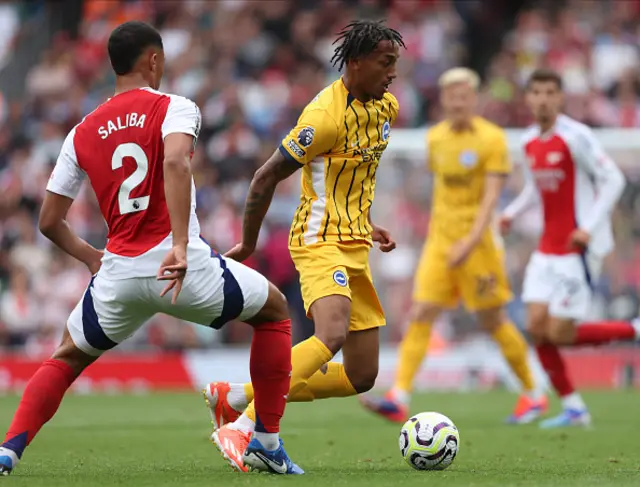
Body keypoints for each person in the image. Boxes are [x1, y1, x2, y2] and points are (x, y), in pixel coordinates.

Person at [0, 21, 302, 476]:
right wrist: (180, 246)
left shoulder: (82, 131)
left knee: (65, 358)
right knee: (275, 312)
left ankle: (7, 450)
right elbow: (177, 161)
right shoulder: (176, 107)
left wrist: (89, 257)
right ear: (154, 60)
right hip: (181, 266)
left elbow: (48, 221)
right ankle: (266, 442)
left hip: (118, 272)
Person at [203, 19, 405, 471]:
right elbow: (265, 177)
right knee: (329, 334)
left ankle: (235, 396)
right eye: (385, 63)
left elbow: (353, 176)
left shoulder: (385, 107)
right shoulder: (322, 119)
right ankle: (246, 428)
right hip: (318, 240)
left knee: (361, 375)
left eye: (396, 63)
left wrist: (367, 223)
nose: (393, 73)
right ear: (355, 63)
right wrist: (249, 242)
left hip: (355, 242)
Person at [359, 67, 546, 424]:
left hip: (478, 245)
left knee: (492, 319)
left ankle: (533, 393)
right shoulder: (436, 139)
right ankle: (399, 396)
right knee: (420, 313)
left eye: (464, 95)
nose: (457, 102)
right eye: (451, 96)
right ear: (444, 100)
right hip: (440, 242)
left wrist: (469, 241)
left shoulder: (492, 140)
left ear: (474, 99)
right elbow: (439, 191)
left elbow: (492, 200)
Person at [500, 68, 634, 428]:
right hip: (547, 249)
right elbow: (533, 186)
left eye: (549, 92)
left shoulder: (577, 136)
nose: (543, 99)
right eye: (536, 92)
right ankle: (574, 408)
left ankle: (634, 329)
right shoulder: (529, 140)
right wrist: (510, 213)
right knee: (535, 326)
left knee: (560, 332)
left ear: (560, 98)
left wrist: (587, 228)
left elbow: (614, 180)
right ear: (528, 98)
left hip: (577, 249)